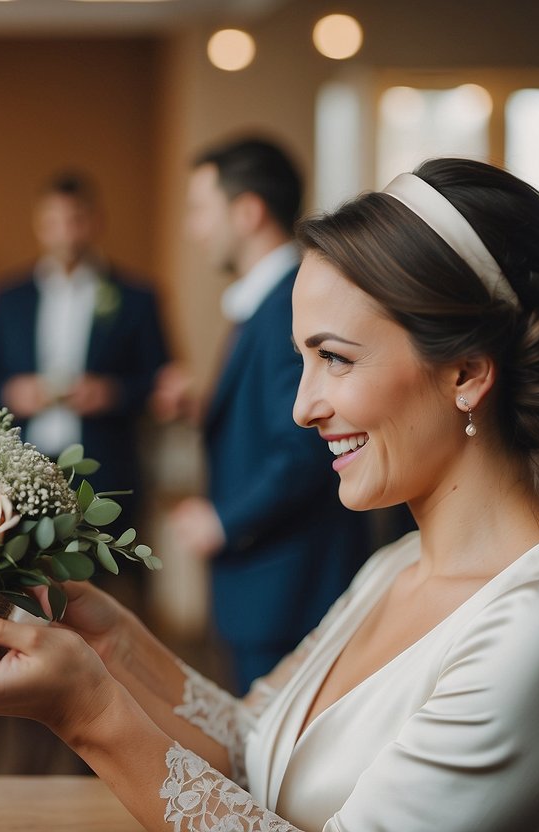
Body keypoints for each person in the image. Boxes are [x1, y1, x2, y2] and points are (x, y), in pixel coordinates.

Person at [0, 157, 539, 830]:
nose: (301, 407)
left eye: (335, 358)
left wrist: (86, 713)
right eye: (300, 360)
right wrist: (108, 636)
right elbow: (252, 748)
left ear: (466, 373)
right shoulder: (395, 566)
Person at [169, 137, 368, 692]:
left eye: (201, 209)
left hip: (287, 581)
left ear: (248, 211)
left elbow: (306, 443)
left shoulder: (288, 301)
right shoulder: (269, 298)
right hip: (269, 577)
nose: (194, 227)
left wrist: (224, 521)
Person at [0, 171, 169, 512]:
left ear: (96, 222)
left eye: (75, 220)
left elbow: (159, 377)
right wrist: (11, 391)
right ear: (38, 226)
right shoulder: (9, 296)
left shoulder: (136, 297)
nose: (65, 233)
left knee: (108, 563)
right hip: (22, 462)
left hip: (106, 464)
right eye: (53, 221)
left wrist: (112, 393)